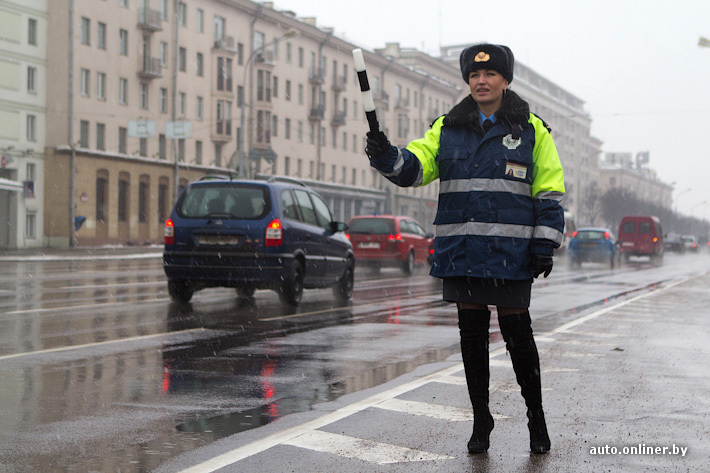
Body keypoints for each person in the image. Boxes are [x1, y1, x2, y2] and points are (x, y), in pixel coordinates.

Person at [364, 43, 565, 454]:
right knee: (471, 341)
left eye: (490, 75)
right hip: (463, 252)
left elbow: (549, 190)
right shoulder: (447, 127)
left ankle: (536, 417)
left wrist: (544, 244)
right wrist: (388, 157)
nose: (481, 81)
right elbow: (416, 166)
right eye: (474, 75)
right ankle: (481, 420)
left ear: (505, 81)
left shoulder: (531, 130)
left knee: (519, 339)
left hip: (510, 256)